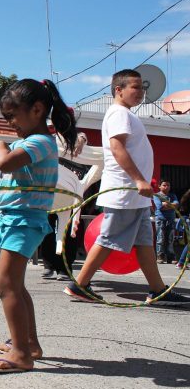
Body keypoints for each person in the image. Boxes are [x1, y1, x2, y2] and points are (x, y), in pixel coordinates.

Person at [63, 69, 190, 306]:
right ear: (118, 89)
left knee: (143, 243)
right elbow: (117, 148)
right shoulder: (119, 114)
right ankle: (79, 285)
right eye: (135, 87)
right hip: (126, 191)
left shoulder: (126, 115)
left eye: (142, 87)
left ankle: (157, 290)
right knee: (108, 238)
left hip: (134, 195)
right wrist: (139, 180)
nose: (141, 92)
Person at [0, 78, 78, 373]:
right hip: (12, 219)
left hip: (24, 221)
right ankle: (29, 343)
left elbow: (5, 164)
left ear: (36, 109)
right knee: (15, 285)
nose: (10, 123)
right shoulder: (22, 143)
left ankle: (21, 353)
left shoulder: (40, 142)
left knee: (6, 283)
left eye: (12, 116)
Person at [153, 179, 178, 264]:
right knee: (160, 238)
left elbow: (176, 205)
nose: (166, 187)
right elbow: (160, 207)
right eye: (164, 185)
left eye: (168, 185)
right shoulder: (156, 195)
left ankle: (170, 257)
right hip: (160, 219)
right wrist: (170, 205)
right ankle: (160, 256)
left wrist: (166, 204)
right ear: (159, 186)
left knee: (170, 239)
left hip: (171, 219)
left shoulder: (173, 195)